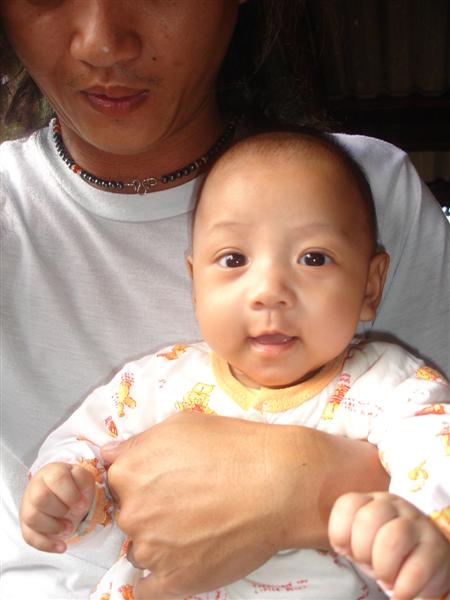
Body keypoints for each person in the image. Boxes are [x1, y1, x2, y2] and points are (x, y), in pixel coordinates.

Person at [1, 1, 449, 598]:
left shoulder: (390, 383)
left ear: (370, 285)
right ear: (194, 280)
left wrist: (416, 531)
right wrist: (68, 489)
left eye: (314, 259)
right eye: (234, 261)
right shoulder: (160, 381)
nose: (270, 293)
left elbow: (433, 452)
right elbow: (90, 452)